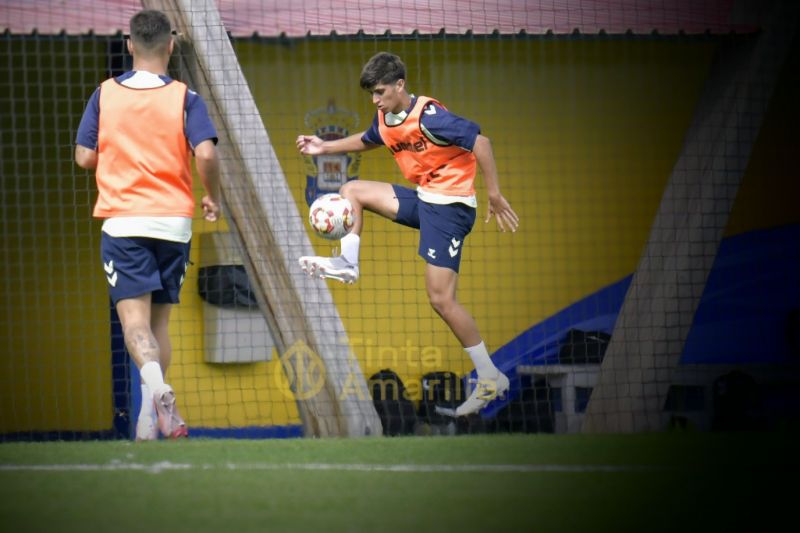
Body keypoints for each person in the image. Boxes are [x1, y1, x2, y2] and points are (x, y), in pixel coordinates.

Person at [297, 52, 519, 417]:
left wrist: (494, 193)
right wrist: (325, 147)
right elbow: (371, 138)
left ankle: (490, 376)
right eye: (371, 93)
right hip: (424, 199)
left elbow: (482, 143)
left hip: (451, 210)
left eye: (380, 92)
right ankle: (347, 264)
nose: (375, 100)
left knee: (441, 300)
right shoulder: (386, 117)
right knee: (352, 190)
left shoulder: (430, 117)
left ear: (400, 85)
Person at [74, 9, 221, 440]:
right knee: (159, 327)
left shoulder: (104, 94)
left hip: (124, 222)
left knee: (134, 326)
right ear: (171, 46)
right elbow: (207, 154)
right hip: (174, 223)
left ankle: (158, 391)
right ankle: (146, 422)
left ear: (129, 44)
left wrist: (119, 154)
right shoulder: (185, 98)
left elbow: (84, 157)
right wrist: (211, 195)